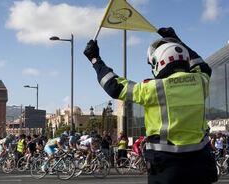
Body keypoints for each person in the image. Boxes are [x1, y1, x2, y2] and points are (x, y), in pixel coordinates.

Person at [84, 27, 217, 184]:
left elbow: (114, 86)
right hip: (201, 162)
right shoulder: (201, 81)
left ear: (159, 62)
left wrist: (95, 59)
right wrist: (178, 41)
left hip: (166, 166)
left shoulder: (153, 88)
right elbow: (202, 66)